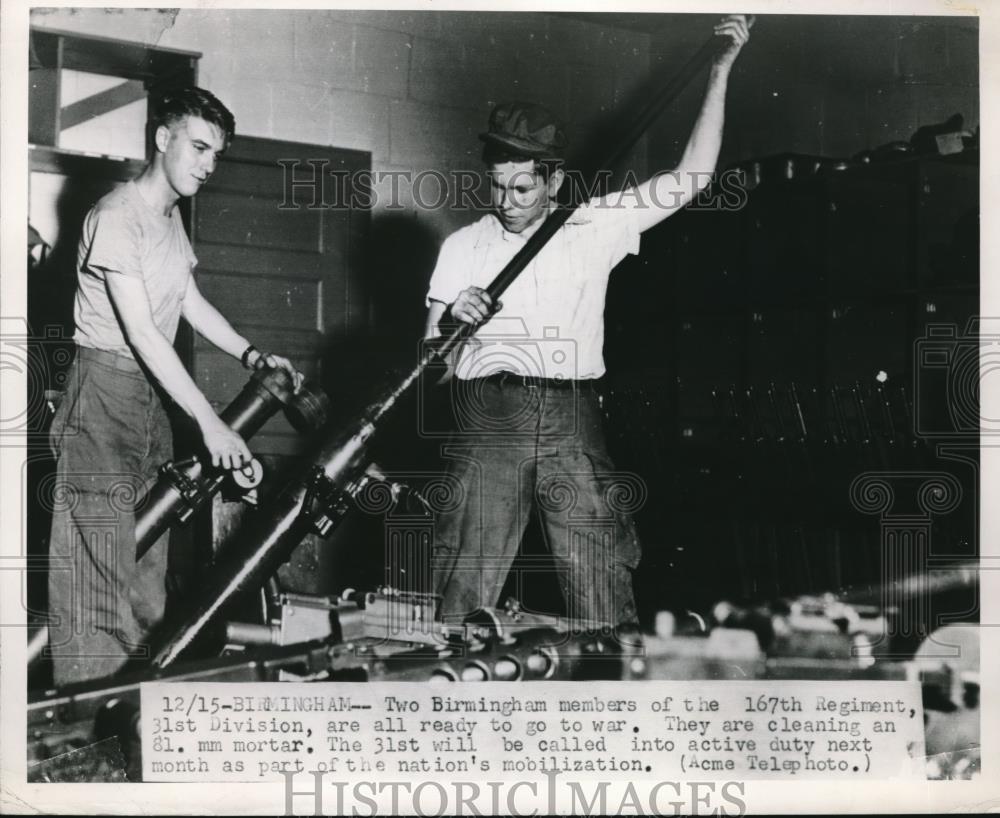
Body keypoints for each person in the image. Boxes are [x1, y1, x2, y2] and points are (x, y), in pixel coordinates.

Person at [425, 16, 750, 629]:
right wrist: (448, 332)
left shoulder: (592, 225)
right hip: (489, 416)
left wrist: (718, 71)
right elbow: (432, 372)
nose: (507, 202)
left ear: (556, 181)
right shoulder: (462, 249)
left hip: (574, 416)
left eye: (524, 188)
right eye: (497, 186)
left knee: (601, 581)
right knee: (462, 584)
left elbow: (692, 179)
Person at [47, 87, 303, 685]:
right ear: (163, 139)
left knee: (144, 579)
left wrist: (251, 352)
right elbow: (141, 332)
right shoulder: (117, 214)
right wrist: (208, 422)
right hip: (104, 391)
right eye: (197, 146)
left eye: (216, 153)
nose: (207, 164)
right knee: (96, 580)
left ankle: (132, 712)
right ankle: (86, 731)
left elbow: (188, 301)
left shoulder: (168, 221)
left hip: (149, 401)